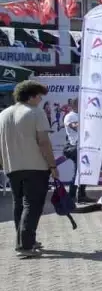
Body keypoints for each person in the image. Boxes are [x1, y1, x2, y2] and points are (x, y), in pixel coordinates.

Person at [0, 81, 57, 258]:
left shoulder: (3, 114)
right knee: (33, 205)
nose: (41, 100)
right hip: (36, 166)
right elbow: (44, 142)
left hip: (12, 165)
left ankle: (25, 239)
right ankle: (25, 244)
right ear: (31, 96)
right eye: (39, 96)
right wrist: (52, 165)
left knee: (19, 204)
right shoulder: (36, 112)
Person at [62, 99, 87, 203]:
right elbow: (74, 127)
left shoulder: (81, 115)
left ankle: (82, 195)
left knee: (84, 172)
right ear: (75, 106)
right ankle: (71, 196)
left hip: (84, 146)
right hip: (75, 146)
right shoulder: (70, 116)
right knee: (78, 173)